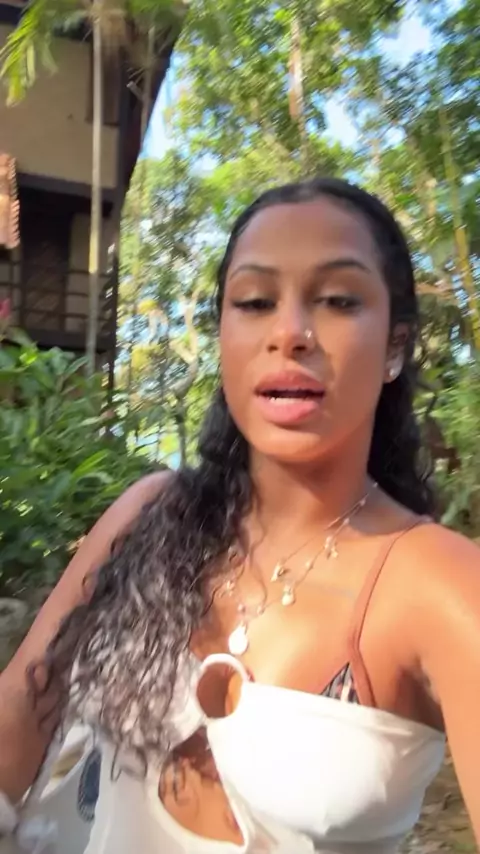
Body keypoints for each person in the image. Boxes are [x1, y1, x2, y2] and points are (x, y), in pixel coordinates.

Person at [1, 177, 479, 854]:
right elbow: (20, 716)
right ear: (223, 332)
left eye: (338, 300)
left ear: (395, 346)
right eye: (255, 302)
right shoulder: (151, 513)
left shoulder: (439, 583)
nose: (290, 333)